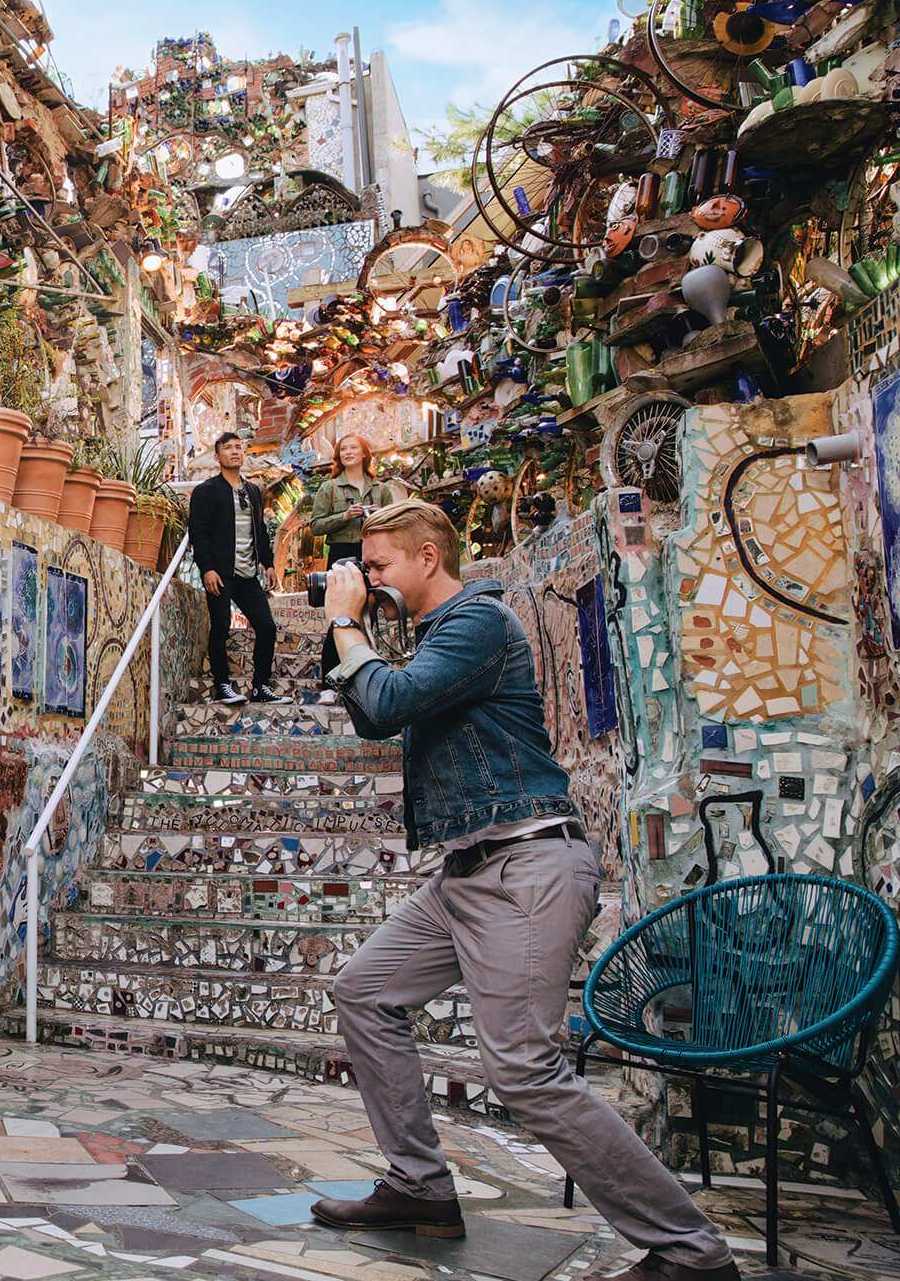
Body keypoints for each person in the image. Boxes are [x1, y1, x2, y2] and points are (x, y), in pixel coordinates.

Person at [309, 500, 737, 1281]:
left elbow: (392, 700)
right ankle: (421, 1187)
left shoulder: (477, 622)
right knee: (364, 992)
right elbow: (376, 717)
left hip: (526, 865)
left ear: (428, 557)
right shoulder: (436, 637)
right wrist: (349, 631)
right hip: (468, 871)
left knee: (525, 1070)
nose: (366, 580)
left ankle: (691, 1253)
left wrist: (347, 625)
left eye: (376, 567)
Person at [303, 434, 399, 699]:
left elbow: (396, 527)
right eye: (343, 449)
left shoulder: (381, 489)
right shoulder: (330, 488)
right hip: (342, 554)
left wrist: (380, 516)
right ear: (338, 456)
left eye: (353, 447)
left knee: (367, 617)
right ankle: (330, 684)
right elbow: (316, 526)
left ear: (364, 453)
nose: (348, 452)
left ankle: (364, 684)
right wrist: (344, 516)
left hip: (373, 556)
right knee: (341, 616)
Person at [188, 430, 281, 705]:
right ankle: (222, 686)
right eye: (228, 448)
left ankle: (261, 687)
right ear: (217, 456)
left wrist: (269, 564)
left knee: (267, 627)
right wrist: (207, 568)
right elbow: (199, 532)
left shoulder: (253, 491)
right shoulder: (206, 491)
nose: (235, 452)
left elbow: (260, 532)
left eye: (239, 447)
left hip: (248, 573)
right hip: (221, 572)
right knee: (221, 627)